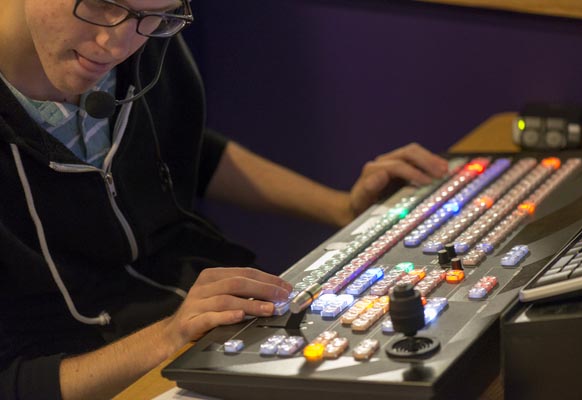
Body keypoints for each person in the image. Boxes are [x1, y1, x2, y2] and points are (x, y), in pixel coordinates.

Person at [0, 1, 449, 399]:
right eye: (99, 4)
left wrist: (343, 208)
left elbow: (185, 147)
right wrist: (166, 337)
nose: (115, 44)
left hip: (197, 329)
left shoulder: (149, 36)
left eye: (152, 15)